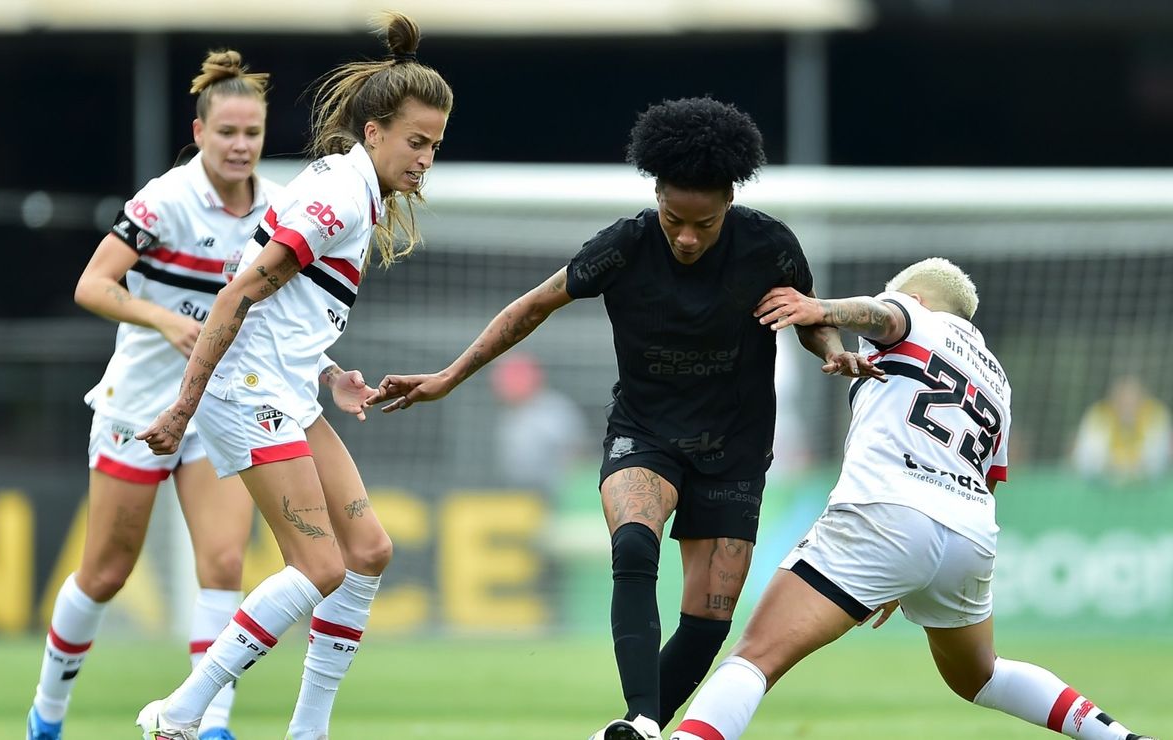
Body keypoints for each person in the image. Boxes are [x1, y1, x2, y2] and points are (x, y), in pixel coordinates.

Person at [373, 96, 882, 740]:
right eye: (674, 219)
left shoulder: (771, 246)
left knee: (707, 623)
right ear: (657, 197)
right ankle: (641, 717)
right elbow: (532, 308)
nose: (687, 237)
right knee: (634, 542)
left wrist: (832, 349)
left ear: (730, 199)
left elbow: (804, 316)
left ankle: (637, 733)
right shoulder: (625, 245)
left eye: (704, 223)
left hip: (736, 446)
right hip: (645, 433)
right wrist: (448, 376)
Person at [670, 258, 1157, 740]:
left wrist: (820, 308)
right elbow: (990, 478)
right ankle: (1121, 738)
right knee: (981, 675)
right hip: (969, 530)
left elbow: (880, 316)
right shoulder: (997, 380)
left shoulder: (915, 316)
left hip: (887, 510)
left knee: (755, 655)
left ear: (917, 298)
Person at [134, 12, 453, 740]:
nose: (426, 158)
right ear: (374, 131)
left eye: (435, 144)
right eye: (415, 141)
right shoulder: (340, 196)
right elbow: (239, 292)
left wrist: (329, 371)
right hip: (244, 392)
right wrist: (184, 408)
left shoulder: (353, 189)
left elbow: (287, 312)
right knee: (319, 566)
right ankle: (182, 712)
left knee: (368, 552)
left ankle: (308, 731)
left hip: (284, 385)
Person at [25, 50, 279, 740]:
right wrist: (168, 319)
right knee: (106, 573)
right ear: (199, 133)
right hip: (138, 406)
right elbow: (92, 285)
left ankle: (209, 723)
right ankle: (47, 713)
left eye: (251, 133)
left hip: (217, 407)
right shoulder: (164, 199)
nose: (240, 145)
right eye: (226, 131)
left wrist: (326, 371)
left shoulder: (276, 213)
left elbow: (279, 315)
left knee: (225, 562)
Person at [489, 351, 590, 497]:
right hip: (521, 493)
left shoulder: (553, 410)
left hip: (557, 490)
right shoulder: (509, 416)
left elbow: (576, 451)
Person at [1071, 374, 1171, 485]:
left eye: (1133, 399)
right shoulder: (1099, 414)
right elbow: (1088, 458)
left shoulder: (1155, 414)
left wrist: (1132, 468)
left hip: (1148, 487)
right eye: (1122, 399)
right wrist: (1116, 467)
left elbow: (1157, 458)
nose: (1127, 405)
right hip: (1104, 487)